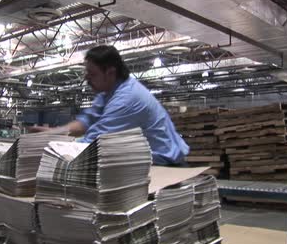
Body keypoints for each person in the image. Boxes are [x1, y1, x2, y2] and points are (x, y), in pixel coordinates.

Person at [32, 45, 189, 165]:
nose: (87, 79)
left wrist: (52, 145)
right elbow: (85, 122)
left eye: (92, 74)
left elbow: (96, 142)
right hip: (149, 164)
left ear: (110, 72)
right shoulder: (107, 92)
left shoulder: (128, 98)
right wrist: (53, 133)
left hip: (167, 166)